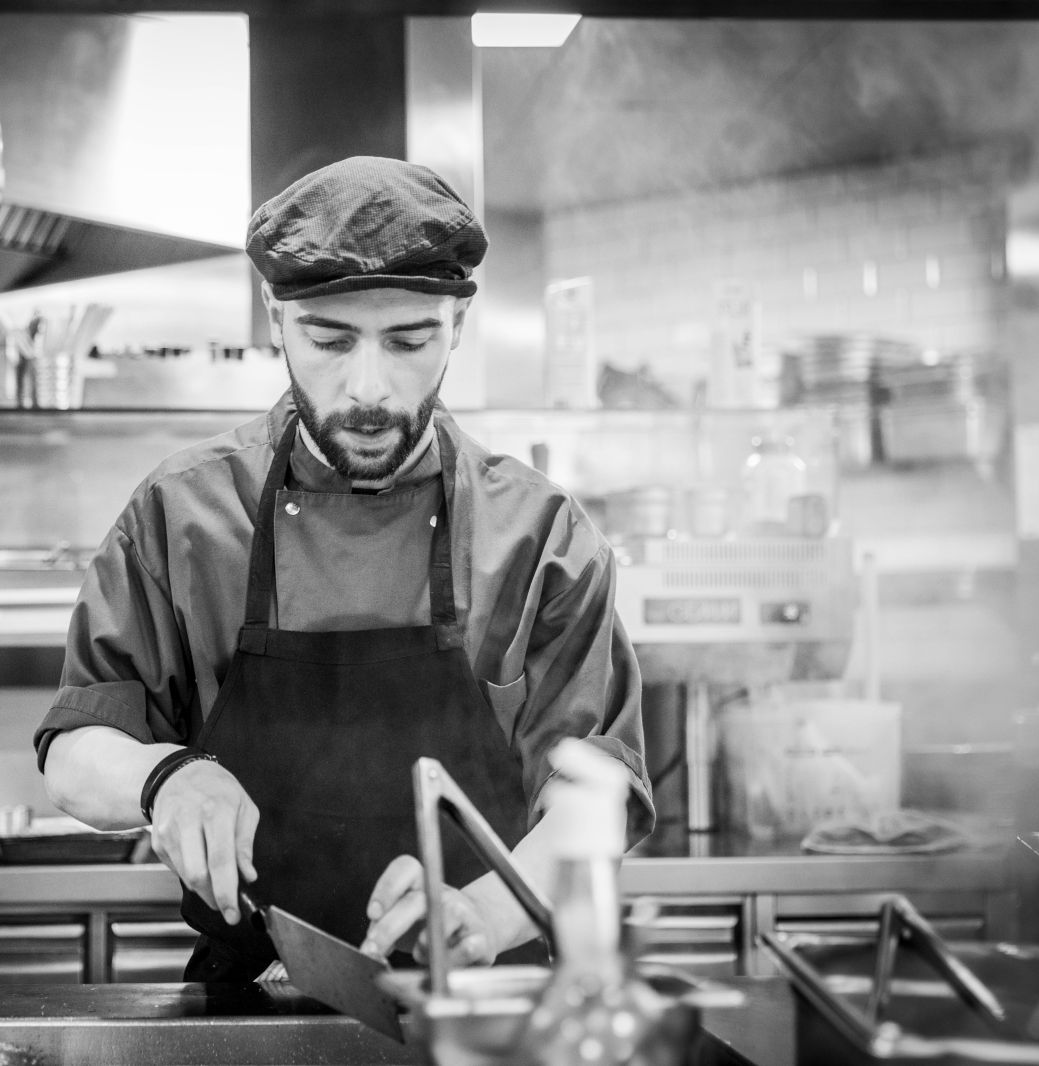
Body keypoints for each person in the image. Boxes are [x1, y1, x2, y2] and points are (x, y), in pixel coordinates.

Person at [35, 155, 653, 981]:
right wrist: (164, 777)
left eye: (409, 341)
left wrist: (484, 913)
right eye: (329, 340)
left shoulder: (538, 536)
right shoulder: (184, 515)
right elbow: (77, 748)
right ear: (275, 317)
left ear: (459, 322)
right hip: (251, 1006)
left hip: (484, 1003)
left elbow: (594, 794)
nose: (369, 389)